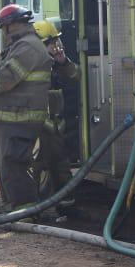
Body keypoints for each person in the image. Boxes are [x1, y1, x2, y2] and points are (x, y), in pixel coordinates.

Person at [0, 4, 52, 211]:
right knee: (6, 165)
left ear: (11, 25)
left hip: (21, 117)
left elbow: (8, 75)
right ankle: (14, 208)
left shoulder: (29, 46)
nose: (3, 32)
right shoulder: (19, 45)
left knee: (14, 164)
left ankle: (24, 210)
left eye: (4, 27)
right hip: (10, 117)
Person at [34, 19, 79, 208]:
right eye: (50, 42)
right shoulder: (32, 64)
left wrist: (63, 61)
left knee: (61, 165)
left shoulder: (59, 64)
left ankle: (67, 206)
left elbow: (76, 76)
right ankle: (37, 205)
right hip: (36, 125)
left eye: (56, 41)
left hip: (56, 124)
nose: (56, 46)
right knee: (38, 166)